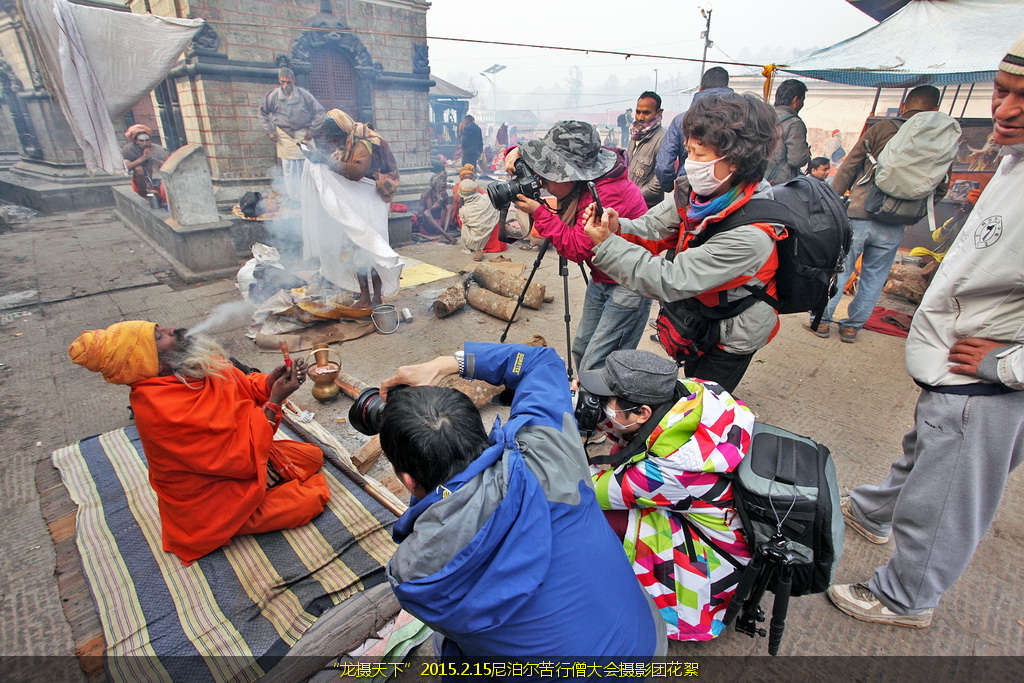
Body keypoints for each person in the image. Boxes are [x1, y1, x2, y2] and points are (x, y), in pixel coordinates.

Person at [827, 36, 1024, 629]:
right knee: (930, 450)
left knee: (949, 490)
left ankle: (906, 596)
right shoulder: (1014, 160)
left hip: (984, 377)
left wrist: (1006, 364)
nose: (1006, 109)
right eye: (1002, 91)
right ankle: (874, 512)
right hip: (954, 362)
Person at [378, 342, 666, 659]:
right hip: (647, 645)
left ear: (407, 480)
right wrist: (445, 364)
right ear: (476, 431)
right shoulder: (550, 448)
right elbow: (541, 361)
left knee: (448, 647)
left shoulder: (412, 573)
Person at [68, 321, 330, 565]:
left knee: (312, 456)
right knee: (311, 499)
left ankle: (269, 484)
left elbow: (243, 387)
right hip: (212, 496)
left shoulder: (191, 366)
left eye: (161, 328)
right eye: (159, 337)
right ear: (154, 364)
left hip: (239, 465)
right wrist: (274, 401)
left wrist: (270, 382)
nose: (173, 330)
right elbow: (237, 458)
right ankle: (235, 519)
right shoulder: (159, 409)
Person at [584, 93, 783, 393]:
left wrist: (607, 246)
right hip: (703, 309)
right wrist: (617, 227)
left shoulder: (751, 235)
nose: (690, 164)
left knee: (704, 398)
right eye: (688, 152)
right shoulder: (697, 193)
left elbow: (671, 279)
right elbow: (654, 227)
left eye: (700, 155)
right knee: (689, 379)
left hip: (735, 329)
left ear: (735, 161)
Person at [579, 349, 754, 641]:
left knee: (596, 515)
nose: (599, 403)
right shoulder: (691, 393)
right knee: (620, 451)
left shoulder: (672, 468)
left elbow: (589, 489)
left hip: (713, 559)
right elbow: (630, 434)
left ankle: (651, 603)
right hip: (711, 514)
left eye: (606, 400)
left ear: (642, 413)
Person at [505, 120, 670, 374]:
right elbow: (538, 156)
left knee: (601, 362)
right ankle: (584, 392)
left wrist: (539, 212)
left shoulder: (605, 192)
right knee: (582, 348)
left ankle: (597, 398)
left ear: (572, 172)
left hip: (628, 283)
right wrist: (515, 152)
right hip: (603, 277)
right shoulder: (588, 175)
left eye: (549, 175)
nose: (543, 183)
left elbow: (576, 248)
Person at [810, 85, 946, 342]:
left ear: (904, 106)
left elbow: (849, 166)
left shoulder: (882, 129)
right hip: (896, 222)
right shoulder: (938, 140)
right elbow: (940, 186)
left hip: (860, 212)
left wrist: (831, 201)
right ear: (935, 109)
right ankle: (852, 327)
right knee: (874, 276)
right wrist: (912, 212)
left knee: (840, 268)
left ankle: (822, 321)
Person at [302, 109, 403, 308]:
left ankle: (376, 298)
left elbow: (356, 172)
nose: (334, 143)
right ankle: (364, 296)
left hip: (371, 200)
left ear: (343, 132)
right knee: (356, 247)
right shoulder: (348, 143)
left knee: (372, 248)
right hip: (356, 201)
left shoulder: (364, 142)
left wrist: (324, 160)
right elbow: (340, 166)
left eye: (335, 138)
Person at [655, 67, 733, 192]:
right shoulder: (740, 119)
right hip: (730, 189)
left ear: (700, 89)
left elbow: (664, 166)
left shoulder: (681, 120)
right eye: (689, 151)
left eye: (699, 154)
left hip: (688, 187)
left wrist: (674, 187)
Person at [258, 67, 326, 200]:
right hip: (284, 136)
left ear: (293, 81)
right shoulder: (273, 96)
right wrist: (270, 132)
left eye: (288, 82)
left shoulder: (304, 95)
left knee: (309, 165)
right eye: (282, 82)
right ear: (279, 81)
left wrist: (312, 129)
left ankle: (312, 196)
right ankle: (295, 198)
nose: (285, 85)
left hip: (303, 134)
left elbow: (320, 111)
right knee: (289, 169)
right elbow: (262, 113)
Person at [765, 79, 810, 185]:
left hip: (759, 182)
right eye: (802, 100)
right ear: (796, 100)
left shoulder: (763, 117)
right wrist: (806, 153)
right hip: (781, 184)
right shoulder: (794, 123)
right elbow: (796, 160)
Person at [628, 91, 667, 208]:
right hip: (629, 204)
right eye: (638, 112)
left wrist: (634, 196)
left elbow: (659, 182)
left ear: (658, 112)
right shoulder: (635, 134)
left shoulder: (663, 138)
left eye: (646, 112)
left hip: (647, 207)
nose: (640, 117)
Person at [121, 125, 170, 205]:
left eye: (147, 140)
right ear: (136, 141)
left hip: (158, 175)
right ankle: (146, 195)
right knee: (138, 169)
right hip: (143, 179)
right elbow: (126, 168)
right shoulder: (129, 150)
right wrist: (143, 158)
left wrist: (154, 159)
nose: (145, 143)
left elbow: (169, 163)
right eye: (141, 141)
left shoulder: (158, 149)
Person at [457, 179, 498, 261]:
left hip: (478, 243)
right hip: (496, 242)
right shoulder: (489, 198)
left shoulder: (464, 211)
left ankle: (476, 245)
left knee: (460, 217)